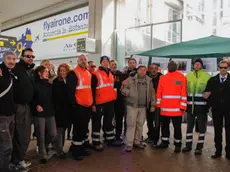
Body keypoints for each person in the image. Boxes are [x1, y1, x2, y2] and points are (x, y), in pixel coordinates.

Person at [121, 65, 156, 152]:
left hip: (143, 107)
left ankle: (137, 141)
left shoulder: (149, 81)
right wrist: (128, 93)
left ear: (146, 71)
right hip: (132, 106)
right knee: (131, 124)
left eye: (144, 70)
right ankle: (129, 143)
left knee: (140, 124)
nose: (142, 71)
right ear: (137, 71)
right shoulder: (130, 79)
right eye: (141, 70)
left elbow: (152, 94)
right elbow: (123, 89)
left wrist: (153, 105)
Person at [11, 48, 35, 170]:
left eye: (32, 56)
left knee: (25, 135)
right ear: (22, 57)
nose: (30, 58)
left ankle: (19, 159)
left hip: (27, 106)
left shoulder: (29, 70)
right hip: (19, 107)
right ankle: (17, 161)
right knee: (20, 135)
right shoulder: (16, 69)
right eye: (28, 56)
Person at [91, 56, 122, 151]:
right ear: (101, 63)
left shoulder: (111, 73)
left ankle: (110, 139)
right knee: (97, 123)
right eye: (103, 61)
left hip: (109, 102)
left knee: (108, 122)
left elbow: (112, 87)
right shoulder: (95, 74)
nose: (105, 63)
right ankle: (96, 142)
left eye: (107, 61)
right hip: (99, 103)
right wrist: (93, 104)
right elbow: (92, 90)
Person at [156, 61, 187, 153]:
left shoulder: (181, 77)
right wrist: (158, 105)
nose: (171, 66)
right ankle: (165, 142)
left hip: (177, 109)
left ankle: (178, 145)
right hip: (165, 109)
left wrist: (182, 106)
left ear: (176, 67)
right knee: (164, 127)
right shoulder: (163, 78)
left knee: (177, 128)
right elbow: (159, 93)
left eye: (173, 65)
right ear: (167, 66)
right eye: (170, 65)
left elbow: (184, 93)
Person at [67, 54, 93, 160]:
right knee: (78, 130)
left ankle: (80, 148)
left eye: (85, 59)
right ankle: (76, 152)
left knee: (83, 129)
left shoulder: (87, 73)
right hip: (78, 107)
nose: (83, 61)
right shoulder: (73, 73)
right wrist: (74, 106)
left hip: (87, 106)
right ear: (77, 61)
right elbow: (70, 92)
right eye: (81, 59)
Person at [182, 58, 211, 155]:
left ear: (201, 65)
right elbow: (184, 91)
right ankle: (188, 146)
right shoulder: (188, 76)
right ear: (193, 65)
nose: (197, 65)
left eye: (199, 64)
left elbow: (210, 91)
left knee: (202, 129)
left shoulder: (207, 76)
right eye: (195, 64)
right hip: (190, 107)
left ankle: (199, 147)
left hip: (202, 108)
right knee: (189, 128)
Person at [204, 61, 230, 160]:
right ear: (218, 68)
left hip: (228, 109)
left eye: (225, 67)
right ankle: (218, 151)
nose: (223, 69)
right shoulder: (212, 80)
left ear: (228, 68)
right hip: (216, 109)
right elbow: (207, 93)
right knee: (217, 131)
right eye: (221, 67)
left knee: (229, 131)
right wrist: (210, 104)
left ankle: (229, 152)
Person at [33, 66, 57, 164]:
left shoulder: (49, 85)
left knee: (53, 133)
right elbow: (32, 98)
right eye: (46, 71)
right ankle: (43, 155)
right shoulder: (35, 85)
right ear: (39, 73)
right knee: (41, 135)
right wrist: (36, 105)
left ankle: (45, 146)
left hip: (50, 112)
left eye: (48, 71)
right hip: (40, 114)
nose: (48, 73)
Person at [0, 51, 17, 172]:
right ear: (3, 59)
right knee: (7, 147)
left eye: (13, 59)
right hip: (2, 116)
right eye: (9, 58)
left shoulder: (10, 74)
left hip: (11, 115)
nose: (11, 61)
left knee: (5, 145)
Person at [52, 63, 71, 158]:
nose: (62, 72)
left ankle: (60, 148)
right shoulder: (56, 82)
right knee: (59, 131)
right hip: (58, 110)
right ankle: (59, 151)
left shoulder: (69, 81)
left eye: (64, 70)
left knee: (63, 130)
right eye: (60, 70)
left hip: (67, 111)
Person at [145, 63, 163, 147]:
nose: (154, 70)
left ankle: (156, 139)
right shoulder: (146, 77)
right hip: (148, 103)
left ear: (158, 69)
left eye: (155, 68)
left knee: (157, 122)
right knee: (149, 121)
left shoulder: (161, 78)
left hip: (158, 103)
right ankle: (150, 136)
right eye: (152, 68)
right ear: (149, 69)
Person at [110, 60, 125, 141]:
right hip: (110, 100)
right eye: (112, 64)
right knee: (109, 119)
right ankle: (109, 134)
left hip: (119, 100)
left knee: (119, 119)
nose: (114, 65)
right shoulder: (107, 74)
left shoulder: (121, 74)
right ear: (109, 66)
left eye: (115, 64)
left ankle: (118, 135)